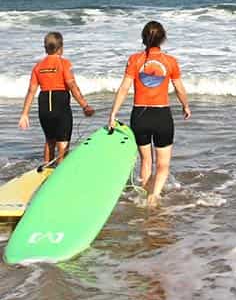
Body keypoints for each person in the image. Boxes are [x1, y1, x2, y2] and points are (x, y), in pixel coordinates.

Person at [108, 21, 191, 206]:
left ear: (143, 38)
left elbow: (124, 88)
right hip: (162, 116)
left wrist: (113, 113)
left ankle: (145, 195)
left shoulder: (134, 60)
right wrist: (185, 106)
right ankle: (155, 195)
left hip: (140, 115)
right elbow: (179, 88)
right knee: (163, 164)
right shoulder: (170, 61)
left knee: (146, 161)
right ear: (163, 39)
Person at [18, 32, 95, 164]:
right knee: (62, 143)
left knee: (49, 140)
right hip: (60, 104)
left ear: (45, 48)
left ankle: (46, 171)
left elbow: (31, 91)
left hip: (44, 105)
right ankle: (60, 174)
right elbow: (72, 86)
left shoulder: (38, 66)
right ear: (61, 48)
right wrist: (85, 106)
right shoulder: (64, 64)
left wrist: (24, 114)